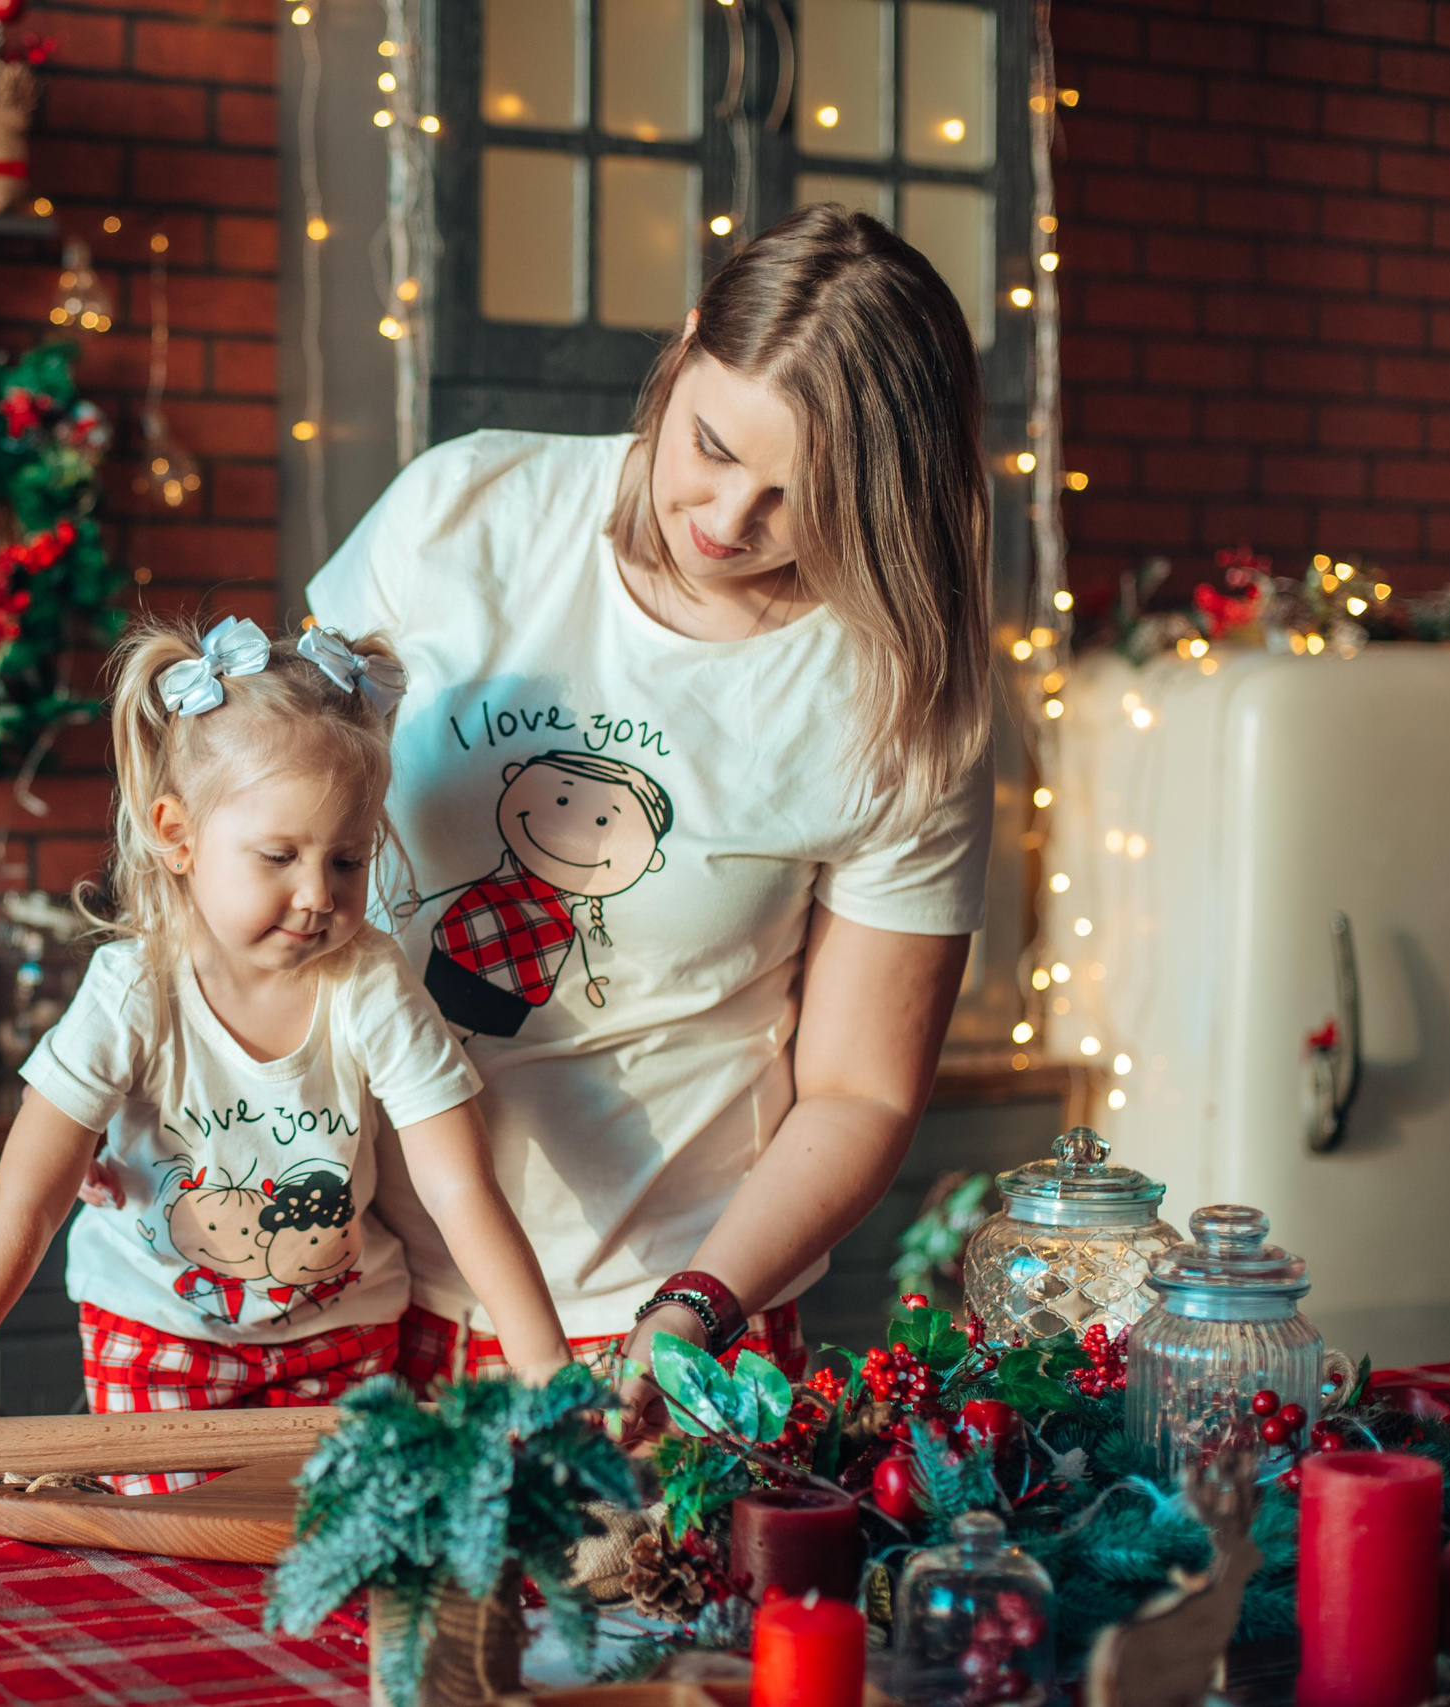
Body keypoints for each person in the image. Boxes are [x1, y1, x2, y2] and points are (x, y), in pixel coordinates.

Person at [306, 204, 996, 1438]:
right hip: (342, 1279)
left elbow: (857, 1093)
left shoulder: (895, 694)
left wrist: (696, 1307)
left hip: (656, 1317)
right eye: (712, 447)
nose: (730, 519)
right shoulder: (466, 509)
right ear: (682, 350)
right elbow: (265, 790)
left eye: (801, 496)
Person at [0, 614, 572, 1495]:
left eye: (348, 860)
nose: (318, 895)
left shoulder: (371, 980)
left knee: (328, 1571)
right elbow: (27, 1201)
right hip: (159, 1339)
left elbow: (459, 1184)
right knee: (185, 1576)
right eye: (278, 856)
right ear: (177, 835)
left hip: (345, 1341)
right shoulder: (134, 988)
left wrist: (546, 1368)